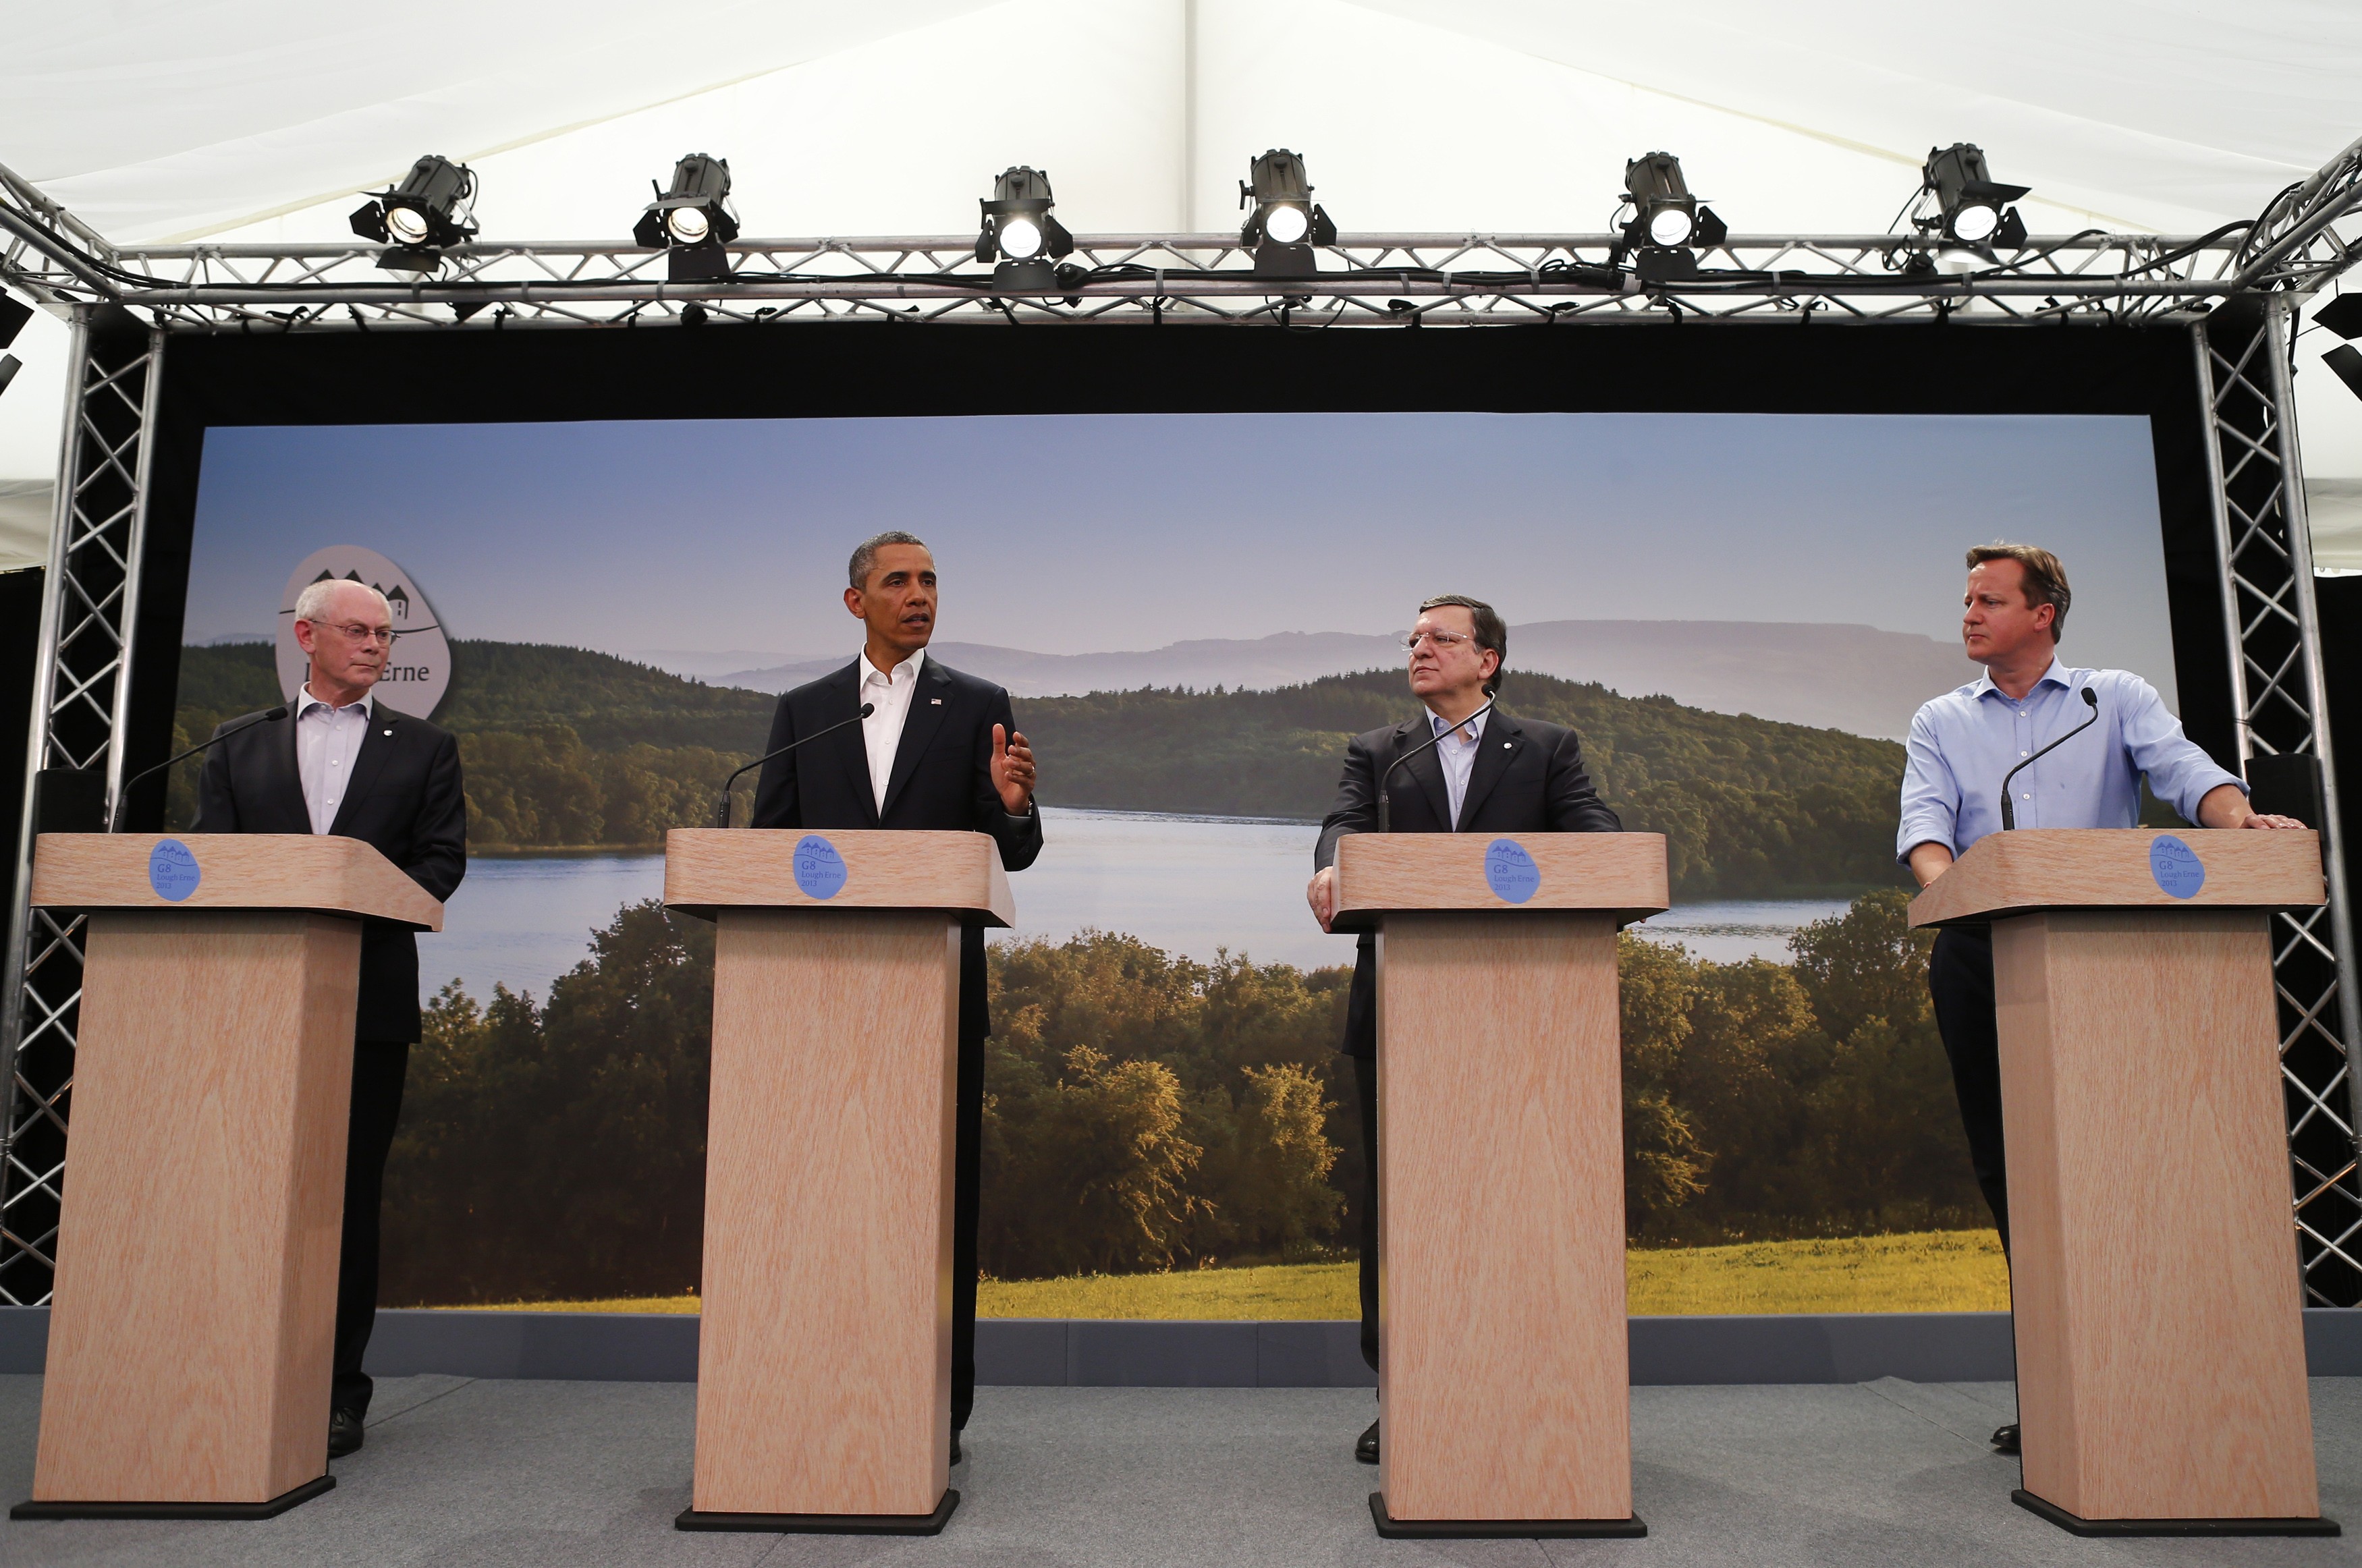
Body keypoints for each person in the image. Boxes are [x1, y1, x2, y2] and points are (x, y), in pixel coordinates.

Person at [1899, 542, 2303, 1457]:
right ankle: (2054, 1384)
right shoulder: (1939, 718)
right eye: (1966, 599)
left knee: (2121, 1165)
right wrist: (1950, 886)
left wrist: (2241, 822)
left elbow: (2189, 774)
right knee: (2014, 1168)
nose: (1968, 614)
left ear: (2043, 613)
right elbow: (1926, 827)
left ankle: (2154, 1378)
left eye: (1989, 600)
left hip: (2110, 963)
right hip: (1979, 953)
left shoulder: (2107, 699)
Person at [1304, 593, 1620, 1465]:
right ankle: (1402, 1391)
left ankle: (1528, 1382)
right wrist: (1334, 866)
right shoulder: (1378, 753)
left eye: (1440, 639)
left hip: (1525, 1023)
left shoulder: (1549, 749)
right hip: (1404, 1013)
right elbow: (1342, 829)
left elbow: (1599, 844)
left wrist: (1507, 875)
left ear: (1488, 660)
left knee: (1521, 1197)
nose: (1419, 650)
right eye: (1412, 640)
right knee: (1402, 1208)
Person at [750, 530, 1041, 1466]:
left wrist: (1010, 805)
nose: (919, 596)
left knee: (935, 1207)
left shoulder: (980, 707)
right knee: (816, 1198)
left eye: (930, 581)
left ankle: (934, 1408)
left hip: (937, 996)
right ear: (856, 604)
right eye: (898, 583)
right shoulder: (806, 712)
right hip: (818, 1005)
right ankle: (809, 1379)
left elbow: (1019, 851)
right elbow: (770, 850)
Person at [194, 577, 467, 1460]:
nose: (377, 648)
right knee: (242, 1188)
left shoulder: (425, 748)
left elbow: (439, 866)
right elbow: (210, 865)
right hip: (252, 1009)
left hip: (368, 1007)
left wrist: (349, 900)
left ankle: (337, 1393)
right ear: (306, 637)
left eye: (386, 636)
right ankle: (229, 1367)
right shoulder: (240, 745)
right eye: (359, 632)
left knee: (343, 1203)